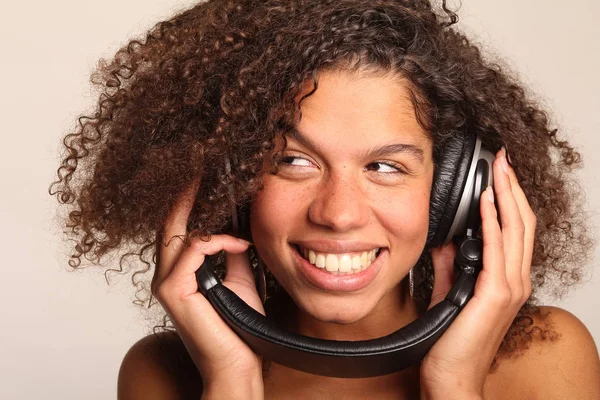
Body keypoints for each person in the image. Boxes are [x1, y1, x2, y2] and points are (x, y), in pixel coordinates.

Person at [50, 0, 600, 398]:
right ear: (233, 187)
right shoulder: (164, 374)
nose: (338, 213)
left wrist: (453, 384)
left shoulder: (546, 362)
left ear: (456, 191)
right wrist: (231, 382)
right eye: (294, 161)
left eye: (385, 167)